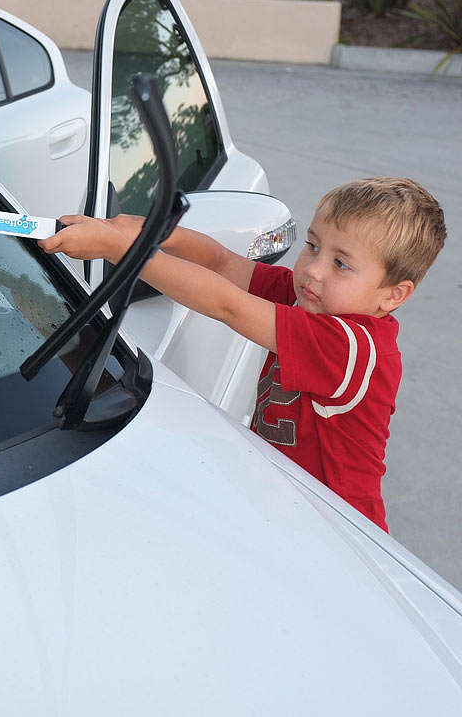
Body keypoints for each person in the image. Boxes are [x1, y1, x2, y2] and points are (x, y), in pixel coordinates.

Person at [39, 177, 447, 532]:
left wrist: (124, 252)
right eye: (312, 245)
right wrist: (159, 234)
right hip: (285, 508)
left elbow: (226, 304)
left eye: (341, 264)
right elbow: (223, 264)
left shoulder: (351, 347)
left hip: (338, 530)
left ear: (393, 295)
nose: (313, 270)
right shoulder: (307, 299)